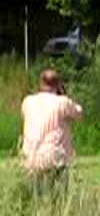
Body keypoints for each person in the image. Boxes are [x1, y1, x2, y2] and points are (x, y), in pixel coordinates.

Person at [21, 69, 83, 198]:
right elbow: (79, 113)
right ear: (58, 84)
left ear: (40, 83)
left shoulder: (28, 101)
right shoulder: (62, 102)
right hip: (55, 156)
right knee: (59, 194)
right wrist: (64, 94)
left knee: (36, 194)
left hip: (31, 155)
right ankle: (58, 211)